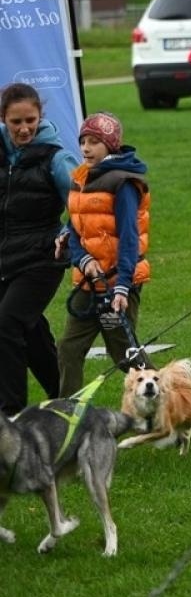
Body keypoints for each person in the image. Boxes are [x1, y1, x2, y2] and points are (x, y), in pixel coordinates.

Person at [58, 113, 152, 397]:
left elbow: (129, 238)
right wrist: (82, 259)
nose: (86, 148)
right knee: (68, 349)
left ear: (110, 145)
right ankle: (65, 415)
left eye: (95, 142)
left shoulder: (123, 183)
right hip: (89, 283)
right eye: (83, 141)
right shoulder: (80, 178)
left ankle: (171, 401)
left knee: (125, 355)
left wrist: (123, 284)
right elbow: (73, 225)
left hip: (117, 284)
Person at [0, 83, 76, 415]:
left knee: (5, 323)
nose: (24, 128)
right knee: (28, 328)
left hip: (44, 258)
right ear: (3, 119)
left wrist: (66, 233)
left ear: (40, 116)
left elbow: (83, 203)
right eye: (16, 122)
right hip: (6, 258)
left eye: (30, 120)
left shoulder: (56, 157)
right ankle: (64, 398)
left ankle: (11, 415)